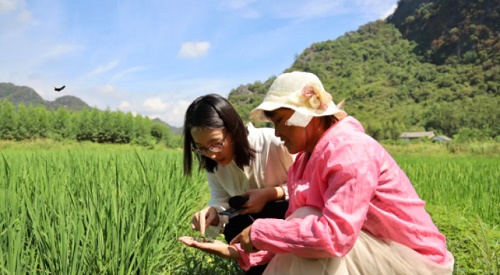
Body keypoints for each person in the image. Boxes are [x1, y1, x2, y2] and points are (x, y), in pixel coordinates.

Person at [179, 72, 454, 274]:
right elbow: (292, 232)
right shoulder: (304, 161)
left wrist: (262, 230)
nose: (277, 132)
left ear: (304, 116)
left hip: (417, 262)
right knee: (301, 219)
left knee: (306, 221)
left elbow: (333, 237)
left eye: (279, 121)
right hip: (373, 250)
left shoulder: (350, 150)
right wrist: (237, 251)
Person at [182, 93, 294, 274]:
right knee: (235, 226)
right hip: (254, 236)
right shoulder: (214, 166)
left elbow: (310, 186)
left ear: (233, 129)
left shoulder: (273, 143)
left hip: (291, 226)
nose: (211, 154)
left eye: (216, 144)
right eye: (201, 148)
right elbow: (221, 202)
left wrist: (270, 194)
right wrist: (213, 213)